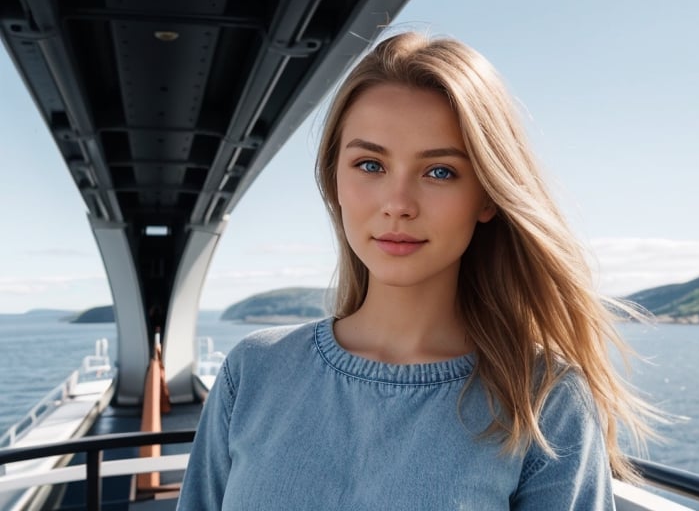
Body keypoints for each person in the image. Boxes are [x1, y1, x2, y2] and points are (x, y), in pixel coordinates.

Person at [178, 31, 655, 510]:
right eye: (369, 164)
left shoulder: (544, 402)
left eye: (440, 172)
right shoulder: (255, 370)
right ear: (334, 181)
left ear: (488, 195)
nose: (398, 204)